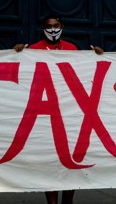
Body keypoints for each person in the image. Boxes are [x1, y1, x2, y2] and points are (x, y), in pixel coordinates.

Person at [14, 14, 102, 204]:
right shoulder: (34, 49)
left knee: (73, 161)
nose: (53, 29)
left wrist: (96, 56)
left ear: (62, 27)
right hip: (45, 115)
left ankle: (68, 201)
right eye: (49, 26)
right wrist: (16, 54)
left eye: (56, 25)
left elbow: (85, 73)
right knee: (50, 162)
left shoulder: (72, 49)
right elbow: (19, 75)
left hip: (70, 112)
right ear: (43, 28)